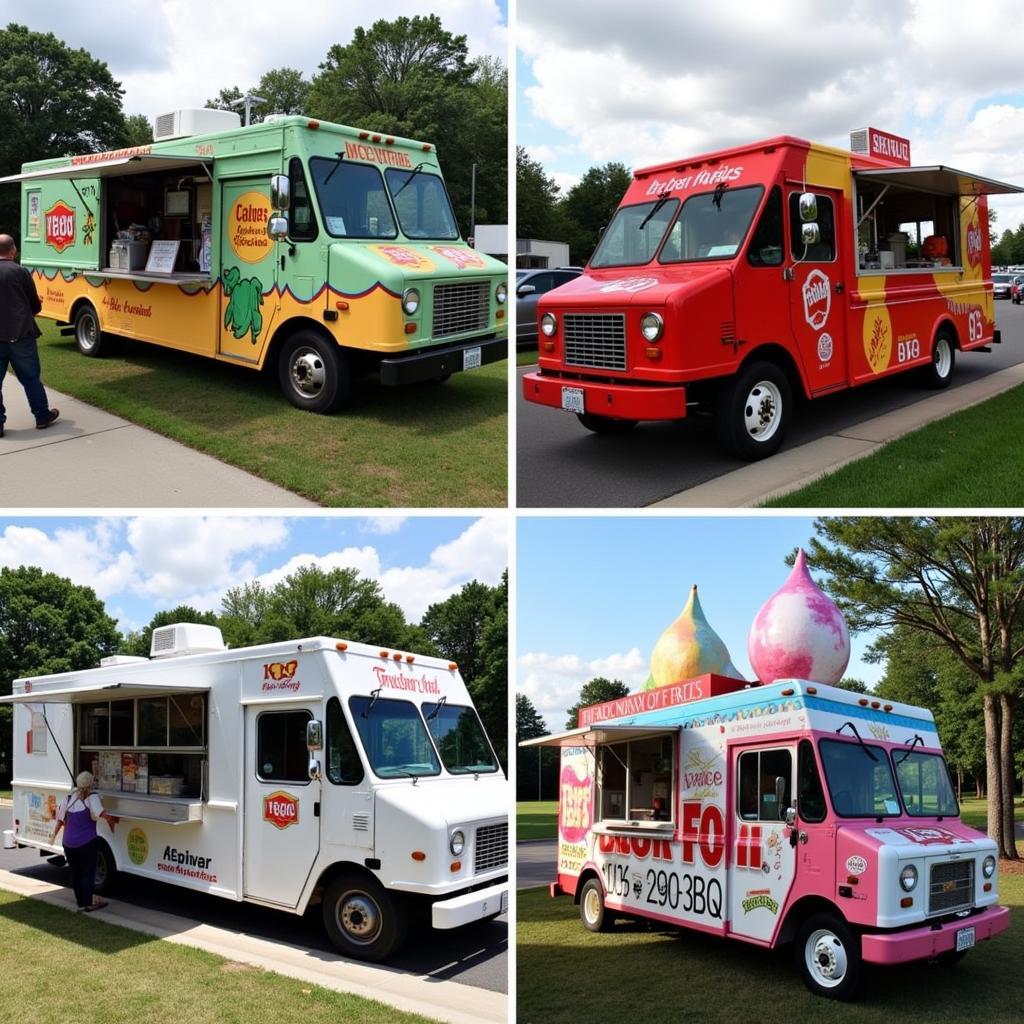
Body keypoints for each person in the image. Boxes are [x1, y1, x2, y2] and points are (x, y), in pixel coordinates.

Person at [0, 233, 58, 438]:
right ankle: (42, 416)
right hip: (21, 334)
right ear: (13, 250)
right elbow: (34, 304)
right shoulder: (20, 272)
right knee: (31, 377)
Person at [51, 771, 118, 912]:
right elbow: (103, 814)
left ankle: (80, 902)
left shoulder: (68, 798)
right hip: (86, 843)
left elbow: (60, 819)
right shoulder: (92, 798)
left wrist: (53, 836)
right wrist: (113, 823)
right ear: (90, 784)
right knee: (88, 873)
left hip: (68, 843)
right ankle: (88, 903)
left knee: (76, 873)